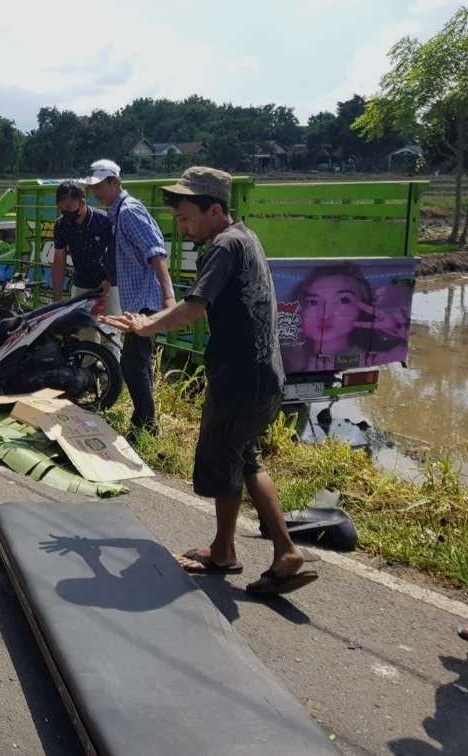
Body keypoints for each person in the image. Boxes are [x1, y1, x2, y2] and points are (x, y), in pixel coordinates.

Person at [102, 167, 317, 596]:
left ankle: (284, 551)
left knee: (239, 461)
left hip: (241, 378)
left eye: (186, 219)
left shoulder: (223, 245)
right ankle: (225, 550)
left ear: (215, 209)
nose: (181, 229)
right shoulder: (245, 238)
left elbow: (193, 307)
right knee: (241, 458)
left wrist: (146, 326)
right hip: (256, 374)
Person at [81, 158, 174, 437]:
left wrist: (168, 297)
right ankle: (144, 422)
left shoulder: (130, 211)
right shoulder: (117, 212)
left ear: (115, 182)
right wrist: (109, 282)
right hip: (137, 300)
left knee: (132, 364)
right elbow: (129, 255)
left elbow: (155, 251)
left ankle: (145, 425)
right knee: (137, 363)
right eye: (93, 186)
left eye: (100, 186)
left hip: (147, 300)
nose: (95, 192)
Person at [281, 263, 409, 373]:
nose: (325, 315)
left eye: (343, 300)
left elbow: (401, 352)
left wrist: (398, 329)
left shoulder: (376, 358)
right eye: (313, 302)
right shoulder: (284, 354)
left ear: (362, 308)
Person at [51, 180, 114, 302]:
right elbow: (59, 261)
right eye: (61, 208)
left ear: (82, 202)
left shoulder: (104, 221)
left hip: (107, 285)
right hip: (80, 285)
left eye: (69, 207)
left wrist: (110, 280)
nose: (65, 212)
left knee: (110, 320)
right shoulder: (61, 225)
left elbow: (118, 253)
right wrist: (56, 297)